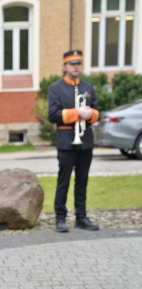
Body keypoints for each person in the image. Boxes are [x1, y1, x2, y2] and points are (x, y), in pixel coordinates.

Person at [48, 49, 100, 233]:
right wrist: (77, 113)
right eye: (72, 64)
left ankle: (81, 217)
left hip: (85, 141)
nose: (76, 67)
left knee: (82, 181)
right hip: (66, 141)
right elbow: (53, 115)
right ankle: (60, 218)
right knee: (63, 181)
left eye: (79, 63)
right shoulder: (56, 88)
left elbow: (96, 112)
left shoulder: (88, 87)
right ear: (64, 66)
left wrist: (90, 114)